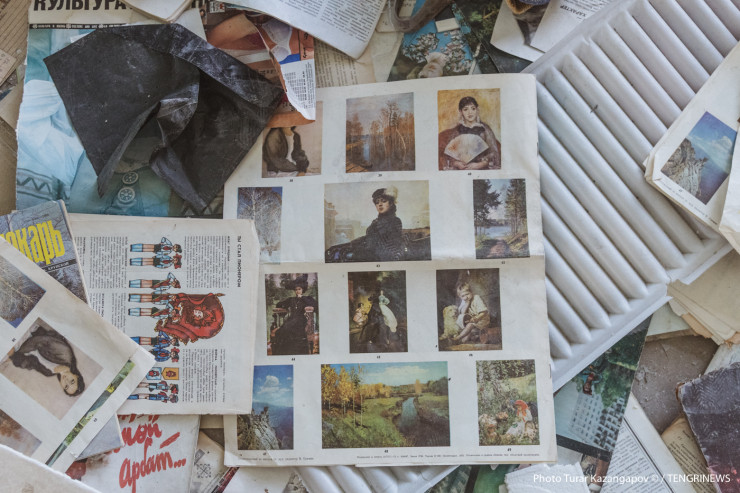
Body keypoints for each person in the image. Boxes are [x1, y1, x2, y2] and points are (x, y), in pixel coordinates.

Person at [10, 326, 85, 397]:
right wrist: (17, 352)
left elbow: (30, 364)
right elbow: (38, 340)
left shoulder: (48, 373)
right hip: (30, 333)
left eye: (66, 386)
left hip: (20, 348)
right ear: (76, 376)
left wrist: (13, 356)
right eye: (72, 381)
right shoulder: (65, 354)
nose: (66, 381)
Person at [438, 96, 501, 170]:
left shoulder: (485, 129)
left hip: (481, 170)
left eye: (473, 108)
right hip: (461, 170)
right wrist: (456, 163)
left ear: (477, 110)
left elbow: (494, 154)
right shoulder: (457, 131)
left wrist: (481, 164)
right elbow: (448, 154)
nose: (470, 112)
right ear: (461, 112)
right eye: (465, 109)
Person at [271, 279, 317, 355]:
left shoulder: (307, 299)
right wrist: (284, 307)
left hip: (301, 320)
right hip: (291, 319)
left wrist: (302, 298)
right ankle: (284, 352)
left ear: (303, 290)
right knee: (281, 331)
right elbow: (279, 304)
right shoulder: (291, 299)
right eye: (296, 290)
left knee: (289, 330)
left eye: (299, 289)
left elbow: (314, 305)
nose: (297, 291)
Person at [358, 187, 405, 262]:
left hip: (385, 259)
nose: (380, 204)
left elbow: (393, 248)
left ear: (391, 203)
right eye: (377, 202)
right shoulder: (374, 223)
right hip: (372, 257)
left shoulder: (395, 221)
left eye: (384, 201)